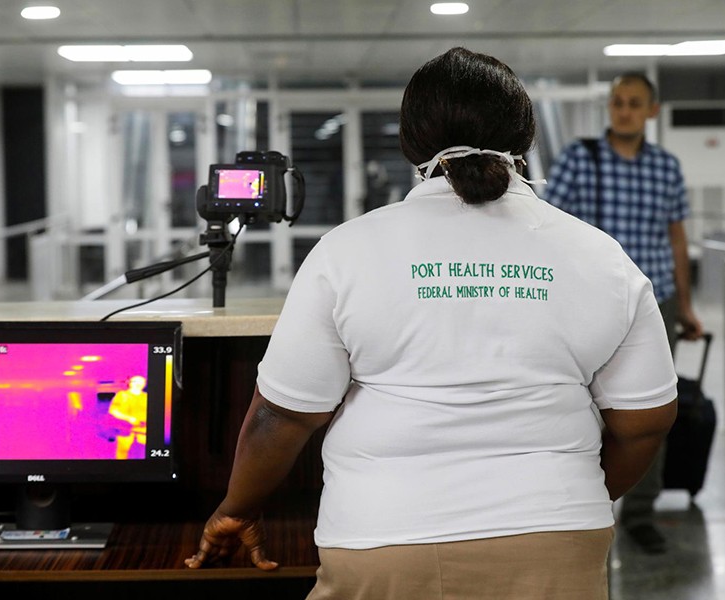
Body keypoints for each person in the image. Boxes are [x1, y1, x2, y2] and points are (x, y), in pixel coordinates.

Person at [185, 47, 678, 599]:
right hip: (557, 539)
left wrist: (235, 510)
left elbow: (281, 418)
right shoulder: (603, 257)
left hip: (381, 541)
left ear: (409, 143)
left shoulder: (346, 252)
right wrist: (562, 495)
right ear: (527, 139)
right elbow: (646, 422)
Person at [543, 72, 704, 554]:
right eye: (617, 102)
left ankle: (639, 511)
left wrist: (687, 305)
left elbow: (677, 237)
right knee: (582, 403)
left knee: (649, 410)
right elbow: (547, 225)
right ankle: (582, 502)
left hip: (656, 303)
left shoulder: (666, 167)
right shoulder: (579, 159)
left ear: (651, 111)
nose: (625, 110)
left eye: (635, 103)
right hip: (591, 301)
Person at [108, 374, 148, 459]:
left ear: (144, 384)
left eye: (141, 382)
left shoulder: (146, 397)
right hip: (125, 428)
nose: (138, 384)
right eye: (135, 381)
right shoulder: (121, 395)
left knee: (143, 451)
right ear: (130, 383)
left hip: (143, 429)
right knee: (123, 451)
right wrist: (128, 418)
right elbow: (113, 410)